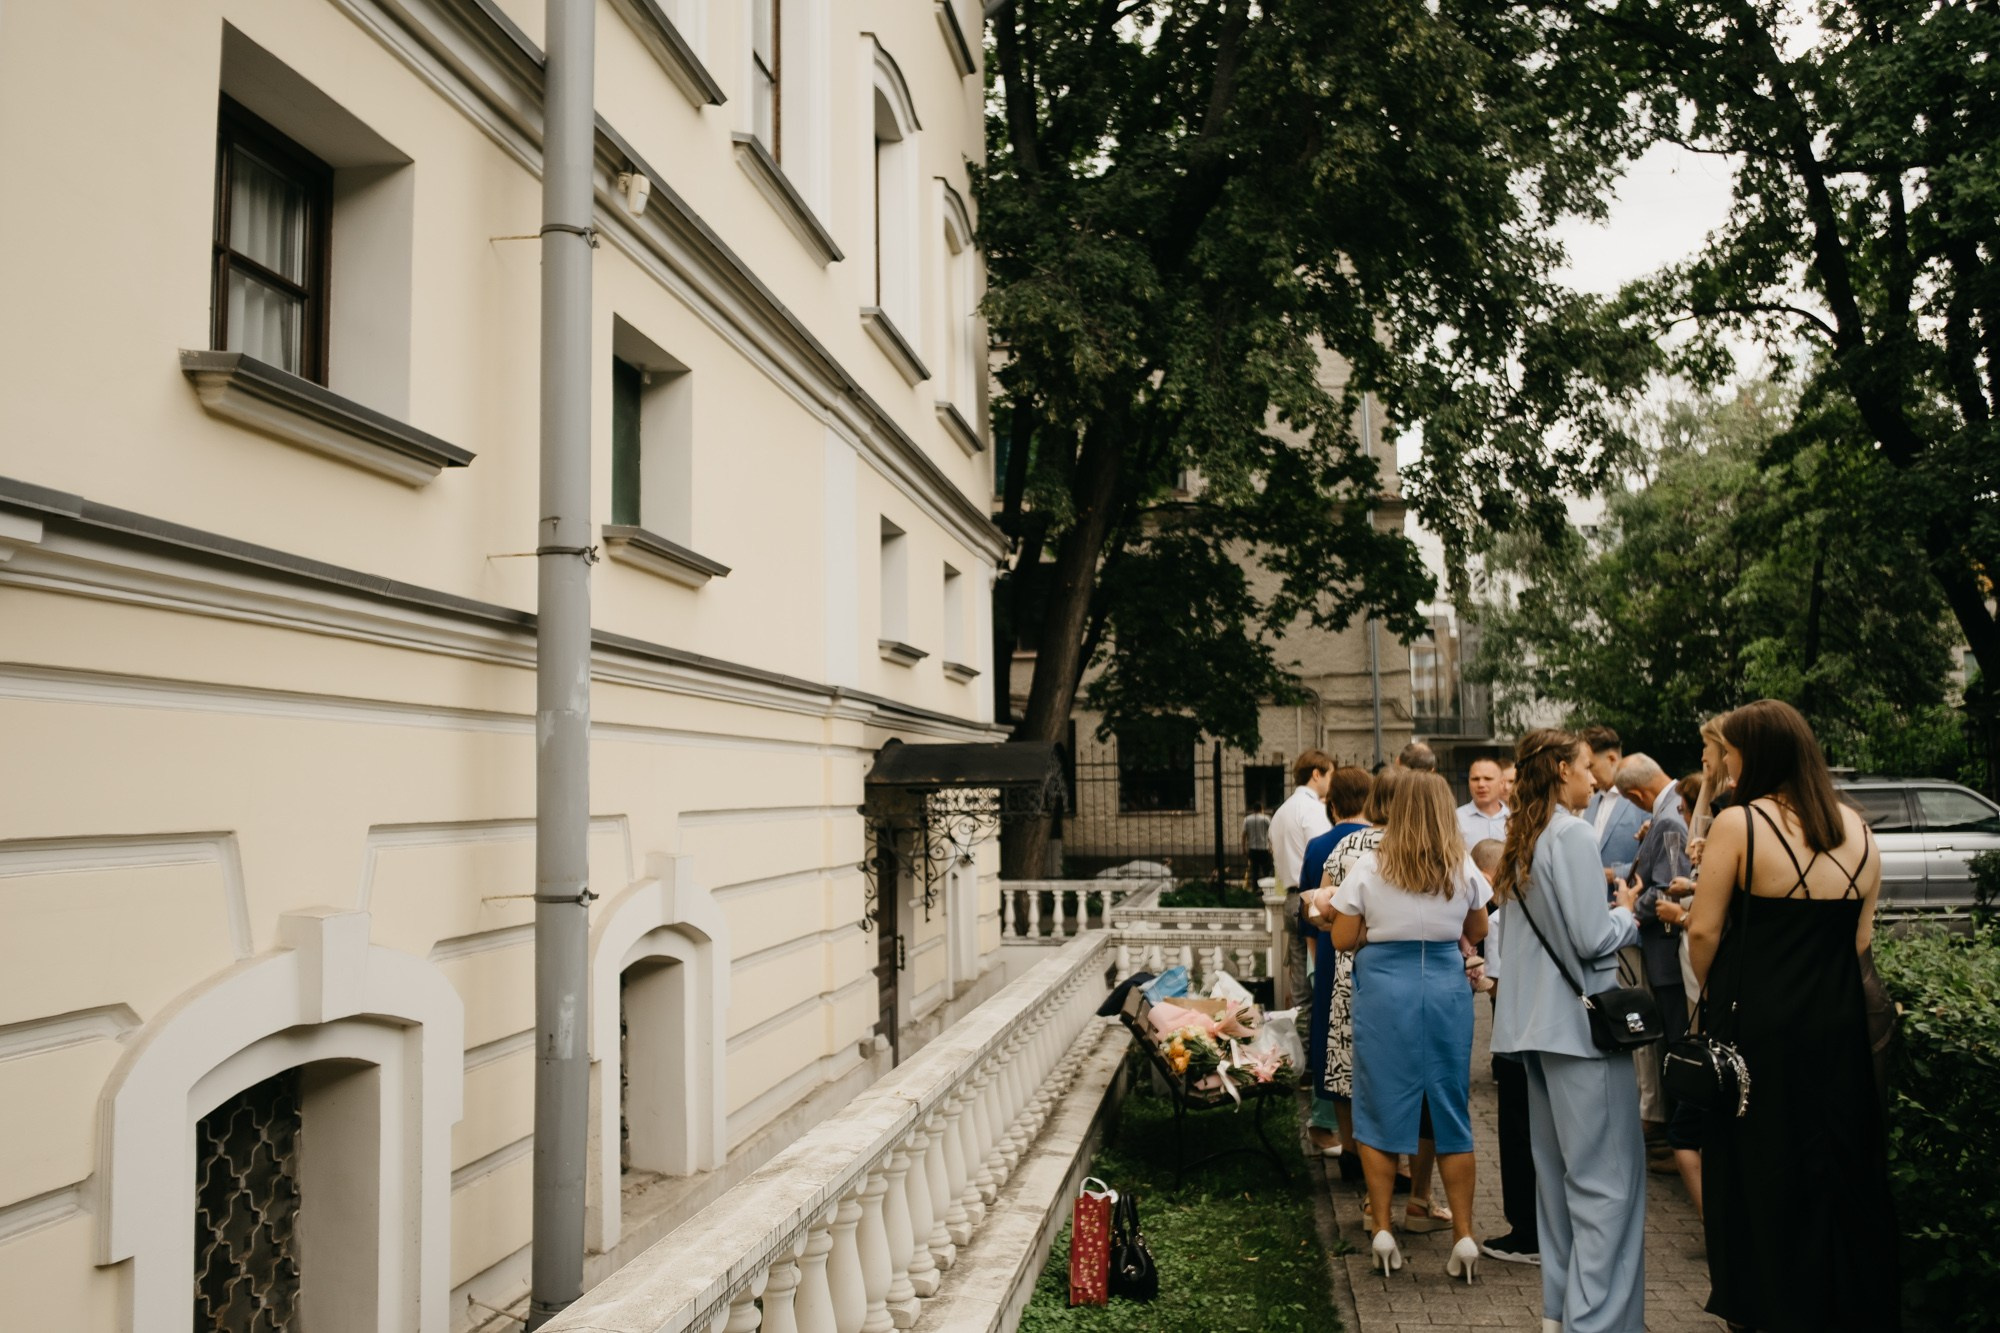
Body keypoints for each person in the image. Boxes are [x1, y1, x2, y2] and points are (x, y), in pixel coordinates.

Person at [1686, 701, 1900, 1333]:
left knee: (1756, 1172)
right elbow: (1860, 940)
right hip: (1838, 1027)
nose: (1725, 766)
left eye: (1731, 753)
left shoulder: (1741, 824)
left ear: (1756, 756)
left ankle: (1765, 1309)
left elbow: (1702, 931)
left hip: (1759, 1028)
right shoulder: (1857, 828)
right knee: (1834, 1168)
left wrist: (1724, 994)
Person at [1305, 773, 1490, 1284]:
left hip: (1387, 988)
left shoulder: (1370, 863)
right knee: (1449, 1107)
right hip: (1447, 992)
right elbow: (1477, 929)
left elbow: (1342, 939)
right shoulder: (1460, 863)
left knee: (1379, 1103)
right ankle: (1465, 1237)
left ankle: (1383, 1228)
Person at [1491, 727, 1646, 1333]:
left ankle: (1560, 1313)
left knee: (1555, 1188)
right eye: (1584, 766)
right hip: (1581, 1033)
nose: (1593, 777)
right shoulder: (1573, 833)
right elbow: (1591, 938)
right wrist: (1627, 915)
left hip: (1529, 1031)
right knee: (1607, 1186)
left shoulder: (1521, 837)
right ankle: (1599, 1323)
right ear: (1560, 769)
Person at [1614, 754, 1692, 1162]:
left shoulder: (1668, 815)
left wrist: (1625, 910)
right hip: (1663, 950)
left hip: (1665, 951)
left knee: (1674, 1040)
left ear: (1635, 794)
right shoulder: (1667, 810)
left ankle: (1676, 1139)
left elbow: (1666, 887)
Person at [1298, 765, 1374, 1163]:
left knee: (1336, 1052)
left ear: (1332, 802)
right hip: (1369, 953)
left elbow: (1309, 913)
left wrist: (1317, 962)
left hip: (1331, 951)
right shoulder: (1380, 843)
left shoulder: (1318, 847)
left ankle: (1348, 1148)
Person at [1470, 837, 1539, 1267]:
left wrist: (1476, 978)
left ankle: (1526, 1232)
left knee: (1517, 1133)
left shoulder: (1501, 916)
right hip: (1548, 1035)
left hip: (1516, 1036)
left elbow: (1494, 979)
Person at [1269, 750, 1334, 1008]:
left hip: (1290, 897)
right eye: (1331, 774)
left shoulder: (1281, 812)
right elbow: (1324, 855)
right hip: (1313, 899)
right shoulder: (1314, 810)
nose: (1332, 781)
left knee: (1299, 987)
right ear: (1316, 774)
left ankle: (1300, 1042)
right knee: (1319, 979)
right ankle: (1315, 1044)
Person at [1581, 724, 1646, 885]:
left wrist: (1614, 875)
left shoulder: (1641, 800)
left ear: (1611, 759)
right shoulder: (1590, 803)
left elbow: (1655, 863)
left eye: (1590, 766)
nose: (1587, 773)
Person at [1457, 756, 1510, 847]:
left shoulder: (1515, 819)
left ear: (1501, 782)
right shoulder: (1456, 819)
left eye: (1488, 779)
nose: (1481, 784)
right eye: (1475, 779)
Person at [1243, 803, 1274, 884]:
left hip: (1252, 849)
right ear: (1261, 809)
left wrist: (1243, 848)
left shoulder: (1247, 819)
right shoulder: (1266, 818)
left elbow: (1244, 835)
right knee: (1266, 870)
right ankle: (1266, 888)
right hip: (1264, 848)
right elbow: (1272, 832)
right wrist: (1272, 847)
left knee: (1254, 871)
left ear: (1253, 809)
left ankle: (1255, 889)